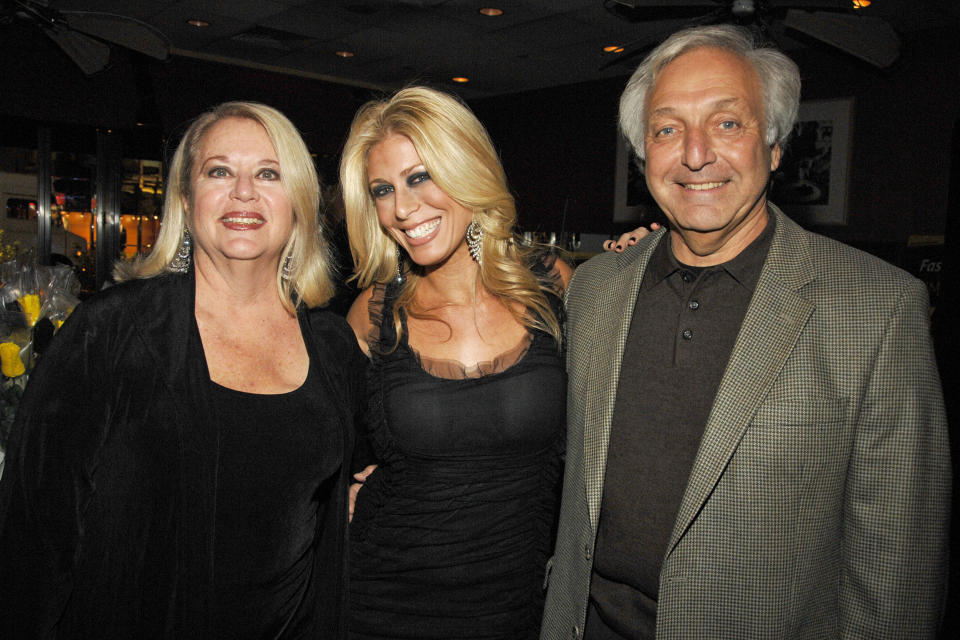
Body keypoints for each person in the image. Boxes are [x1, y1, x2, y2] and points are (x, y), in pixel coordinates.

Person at [541, 25, 950, 640]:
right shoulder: (597, 288)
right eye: (667, 128)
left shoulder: (877, 309)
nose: (696, 153)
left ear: (777, 144)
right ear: (642, 153)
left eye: (727, 123)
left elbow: (900, 564)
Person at [0, 102, 366, 638]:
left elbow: (372, 466)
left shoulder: (333, 348)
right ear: (186, 199)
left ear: (300, 204)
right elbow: (32, 533)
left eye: (269, 173)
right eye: (219, 171)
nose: (244, 191)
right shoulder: (113, 330)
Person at [340, 86, 572, 639]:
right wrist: (333, 492)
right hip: (382, 603)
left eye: (420, 177)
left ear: (466, 168)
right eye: (382, 189)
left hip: (514, 606)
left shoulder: (550, 283)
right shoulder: (376, 309)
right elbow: (309, 428)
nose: (402, 208)